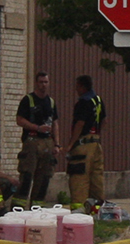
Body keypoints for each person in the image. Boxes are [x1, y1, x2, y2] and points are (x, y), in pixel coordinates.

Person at [14, 71, 58, 206]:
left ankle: (37, 208)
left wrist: (57, 144)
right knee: (27, 175)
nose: (43, 85)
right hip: (32, 142)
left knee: (44, 177)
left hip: (48, 143)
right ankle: (18, 207)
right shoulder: (28, 100)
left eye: (46, 82)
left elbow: (55, 123)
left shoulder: (51, 102)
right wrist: (36, 128)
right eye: (41, 82)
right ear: (36, 83)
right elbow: (19, 120)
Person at [65, 73, 105, 210]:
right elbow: (103, 120)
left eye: (77, 86)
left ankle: (78, 211)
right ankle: (97, 209)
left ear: (83, 87)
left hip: (83, 145)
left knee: (78, 178)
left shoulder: (83, 102)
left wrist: (71, 144)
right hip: (96, 144)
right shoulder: (98, 100)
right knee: (96, 178)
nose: (76, 89)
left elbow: (79, 124)